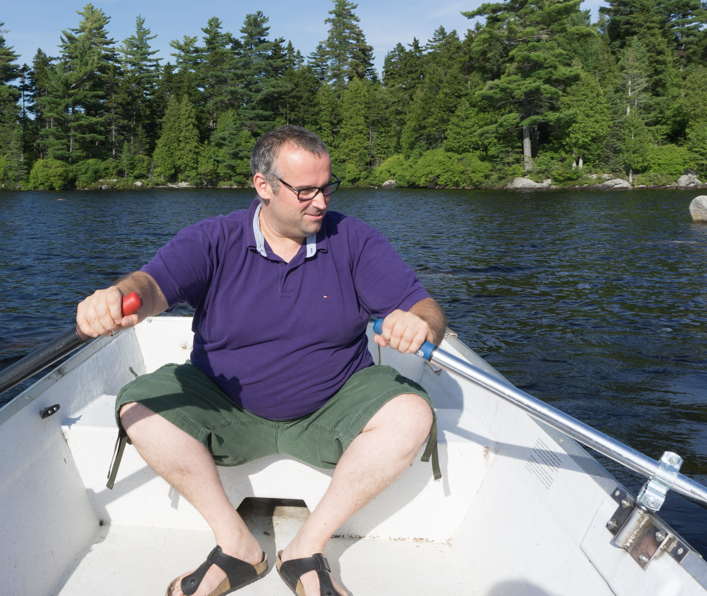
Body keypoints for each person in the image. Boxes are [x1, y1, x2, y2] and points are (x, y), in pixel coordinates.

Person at [76, 125, 446, 596]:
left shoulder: (354, 240)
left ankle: (305, 551)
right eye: (305, 190)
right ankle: (237, 547)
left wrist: (421, 325)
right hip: (225, 405)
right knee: (138, 406)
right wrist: (118, 297)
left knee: (412, 412)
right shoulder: (213, 239)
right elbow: (151, 287)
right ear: (263, 186)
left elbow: (425, 308)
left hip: (331, 405)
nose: (321, 202)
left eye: (327, 186)